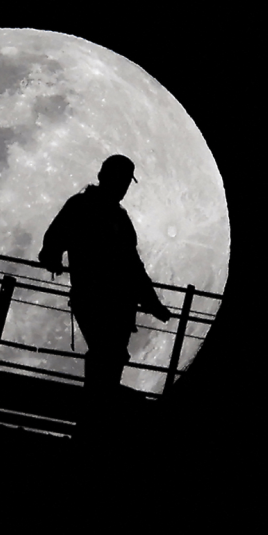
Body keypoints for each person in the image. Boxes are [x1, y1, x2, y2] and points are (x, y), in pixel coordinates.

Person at [38, 154, 172, 445]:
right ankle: (94, 428)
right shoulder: (92, 209)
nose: (123, 187)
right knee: (107, 359)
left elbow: (132, 265)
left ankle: (91, 427)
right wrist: (52, 256)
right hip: (99, 300)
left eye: (125, 182)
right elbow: (54, 242)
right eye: (121, 180)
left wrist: (150, 301)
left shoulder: (106, 214)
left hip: (112, 303)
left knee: (107, 362)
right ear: (105, 177)